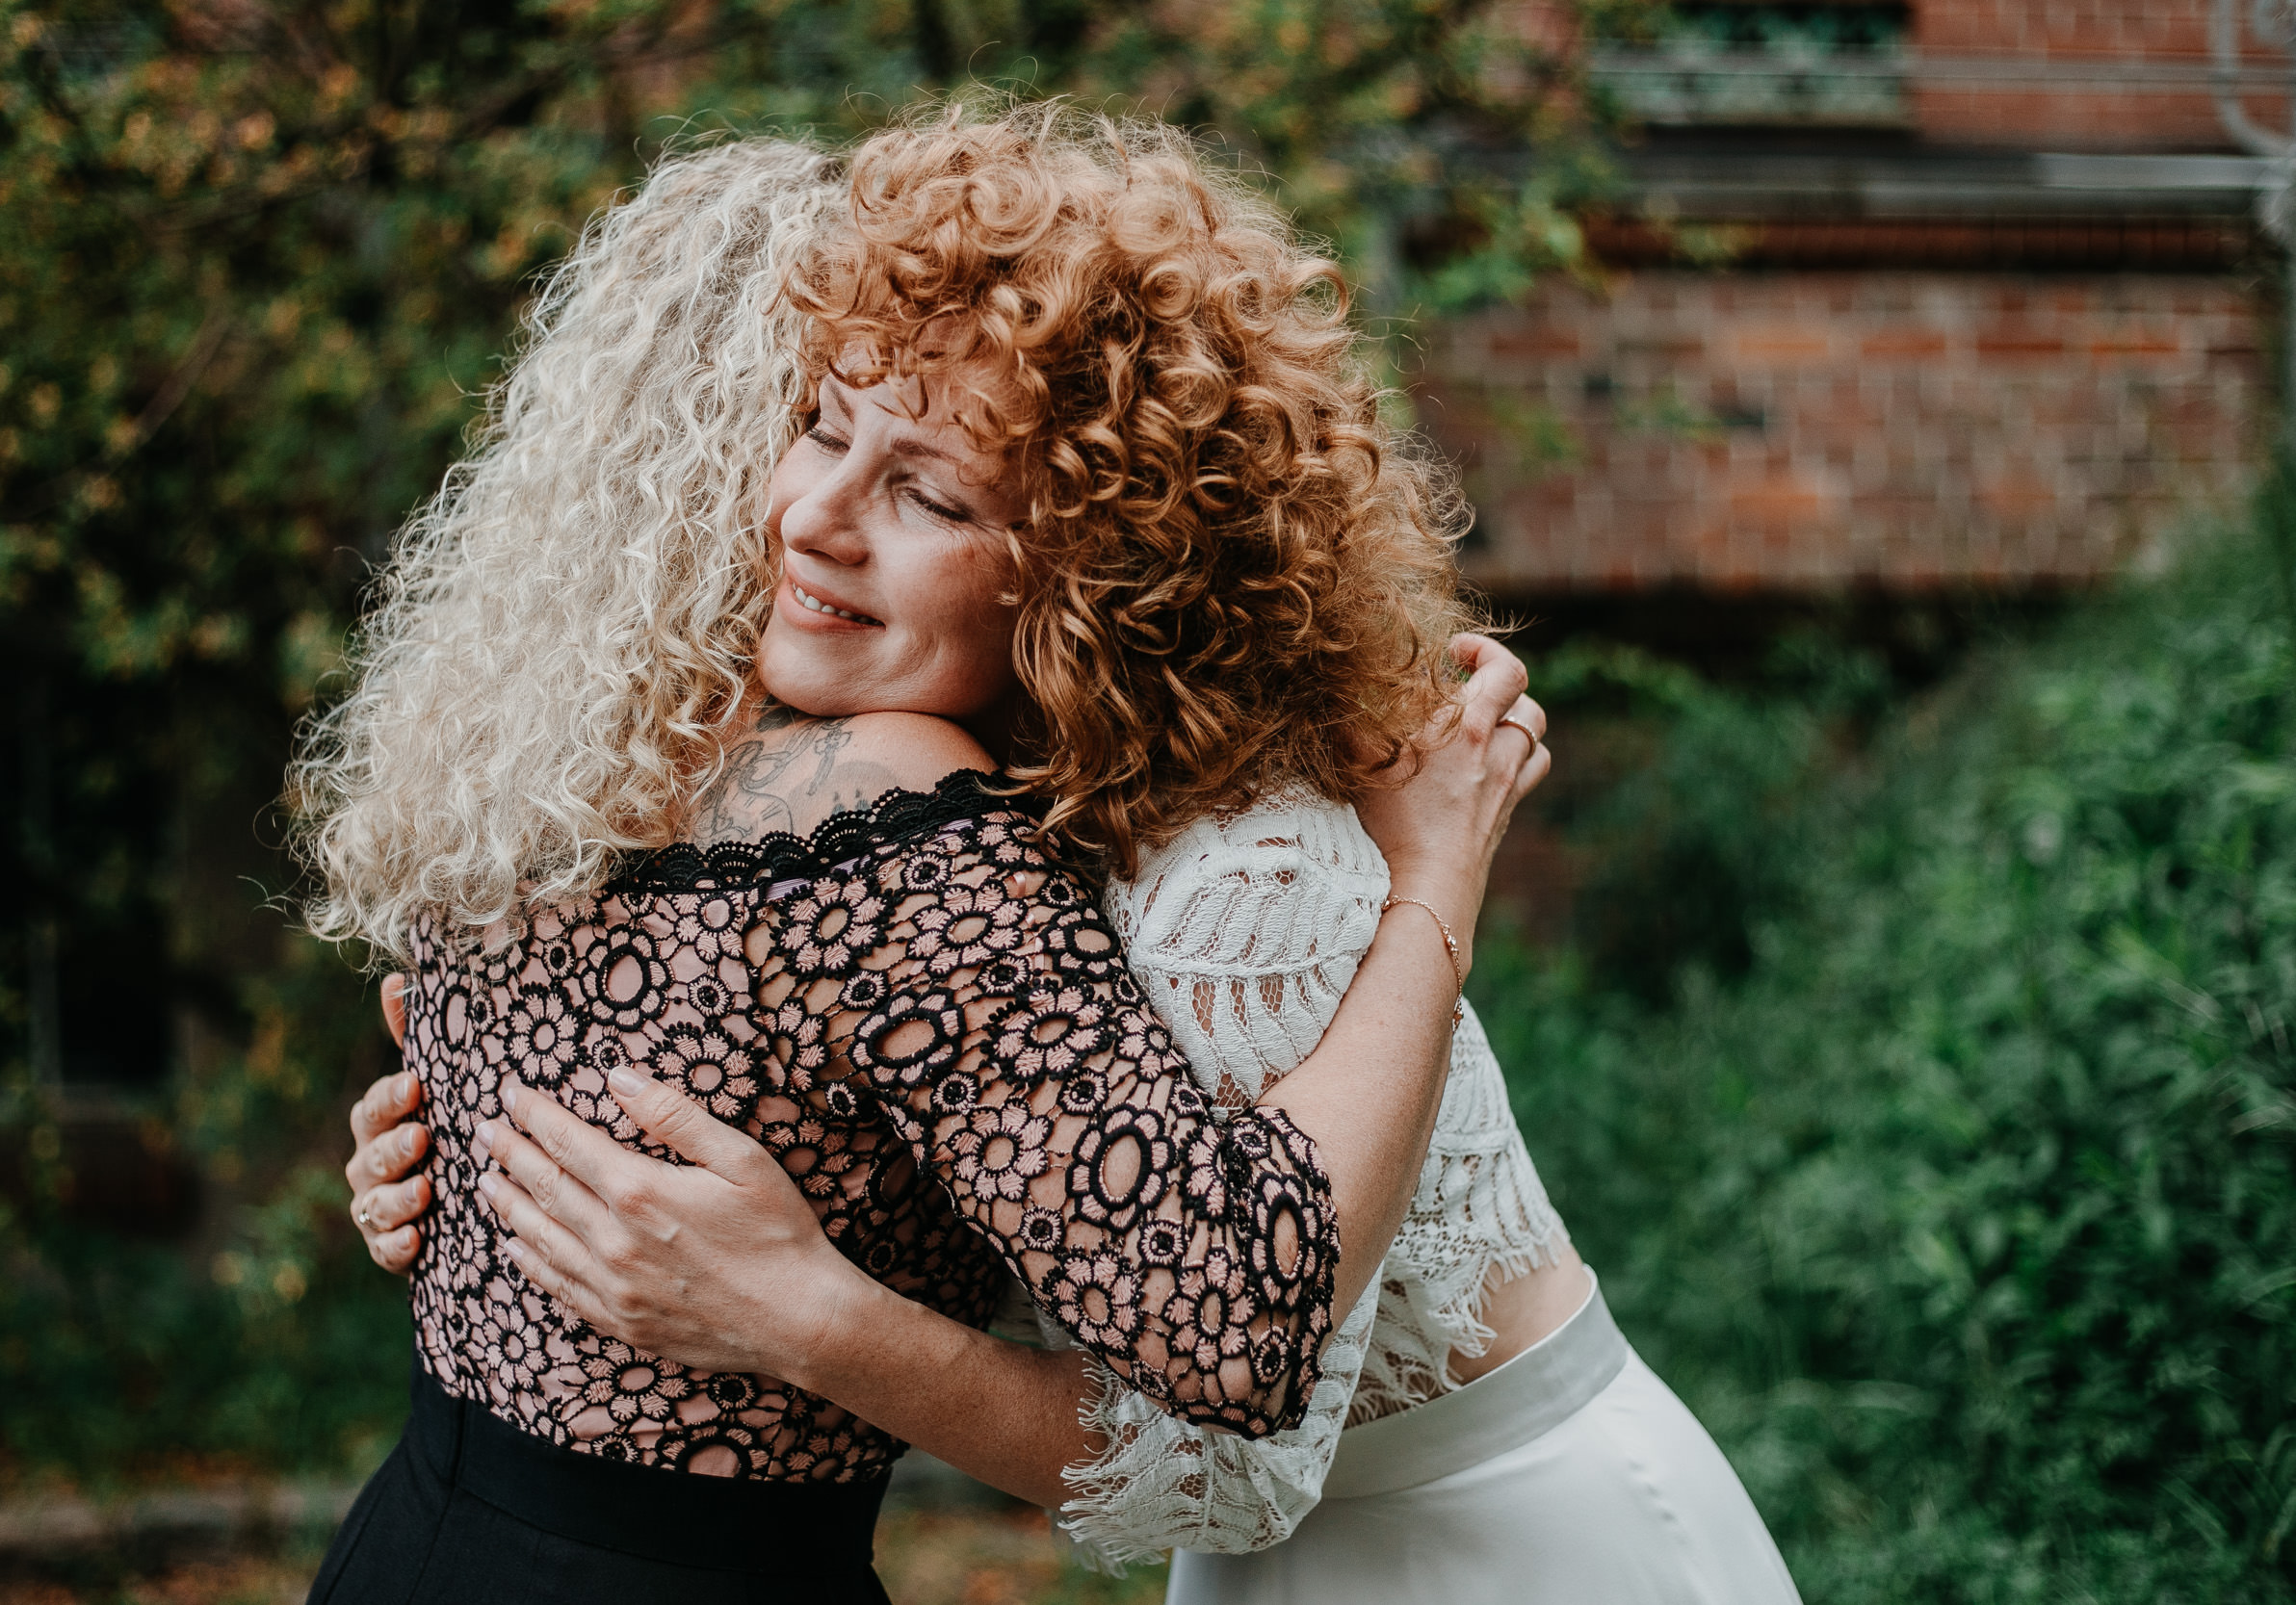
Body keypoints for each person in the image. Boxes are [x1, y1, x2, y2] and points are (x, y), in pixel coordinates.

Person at [323, 106, 1800, 1603]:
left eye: (929, 492)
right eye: (822, 429)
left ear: (1086, 569)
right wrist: (456, 1169)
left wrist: (803, 1308)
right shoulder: (819, 797)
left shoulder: (1226, 865)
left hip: (1494, 1544)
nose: (815, 520)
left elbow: (1235, 1425)